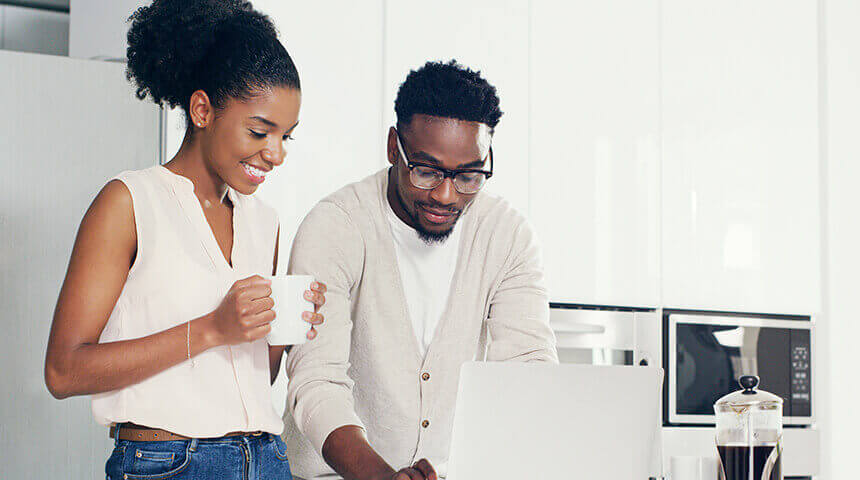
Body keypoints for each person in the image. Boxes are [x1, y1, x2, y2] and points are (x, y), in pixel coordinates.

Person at [43, 1, 325, 479]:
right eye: (260, 131)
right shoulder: (130, 202)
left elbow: (255, 375)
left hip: (266, 459)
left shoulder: (265, 221)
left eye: (286, 137)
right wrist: (214, 327)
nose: (275, 154)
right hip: (171, 463)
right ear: (202, 110)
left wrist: (283, 329)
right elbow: (64, 371)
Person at [282, 60, 559, 480]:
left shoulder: (508, 236)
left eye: (469, 175)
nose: (446, 195)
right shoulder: (334, 226)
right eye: (426, 171)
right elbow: (316, 380)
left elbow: (527, 371)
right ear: (394, 147)